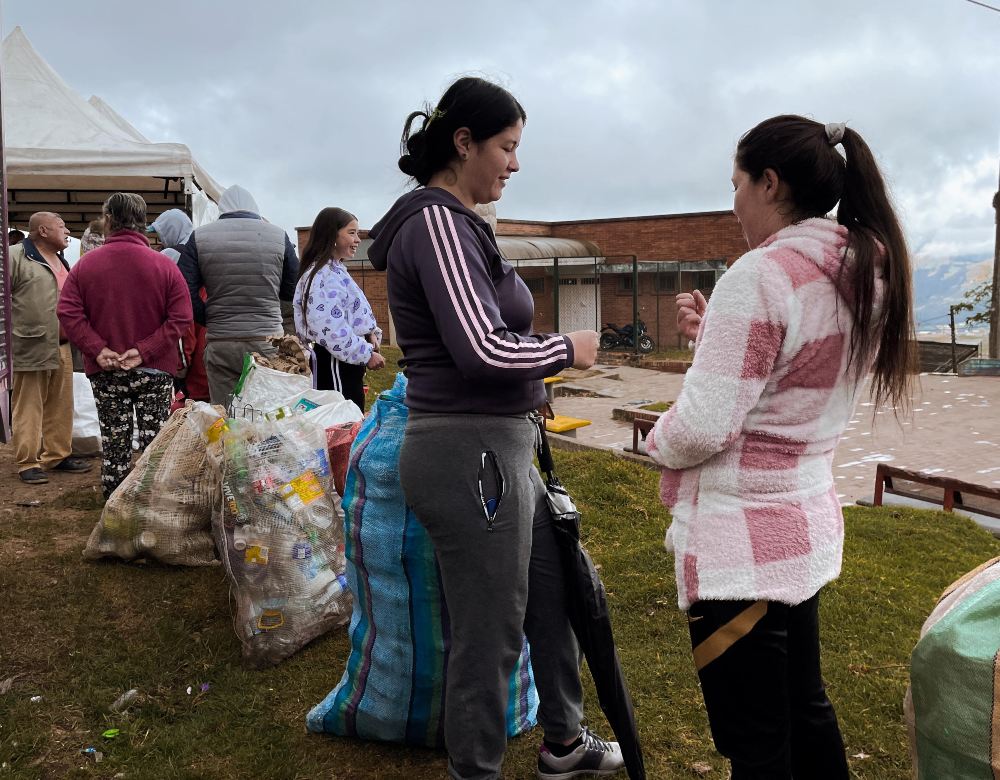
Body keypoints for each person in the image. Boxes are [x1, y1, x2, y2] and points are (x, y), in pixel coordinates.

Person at [646, 115, 916, 779]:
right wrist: (718, 334)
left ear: (769, 183)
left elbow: (703, 427)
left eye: (736, 184)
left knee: (757, 742)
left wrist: (655, 439)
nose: (733, 201)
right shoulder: (864, 268)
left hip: (741, 549)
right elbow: (798, 370)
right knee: (805, 707)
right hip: (803, 530)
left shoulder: (760, 276)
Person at [367, 76, 621, 780]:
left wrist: (531, 385)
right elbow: (479, 348)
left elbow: (484, 345)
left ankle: (564, 744)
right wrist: (568, 350)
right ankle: (473, 772)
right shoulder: (437, 224)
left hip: (498, 446)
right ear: (463, 142)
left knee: (552, 593)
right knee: (488, 633)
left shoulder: (461, 224)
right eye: (507, 147)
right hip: (466, 451)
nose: (514, 162)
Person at [58, 193, 193, 499]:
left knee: (114, 442)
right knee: (154, 444)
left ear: (108, 220)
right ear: (143, 223)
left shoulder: (85, 266)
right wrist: (145, 350)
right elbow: (182, 316)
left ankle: (115, 512)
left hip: (105, 370)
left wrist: (97, 349)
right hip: (154, 370)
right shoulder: (165, 266)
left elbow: (67, 310)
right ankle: (152, 507)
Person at [177, 185, 300, 405]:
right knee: (266, 414)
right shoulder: (278, 236)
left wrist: (209, 318)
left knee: (225, 415)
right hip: (267, 341)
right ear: (254, 208)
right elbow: (292, 288)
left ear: (221, 210)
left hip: (221, 341)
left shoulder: (200, 237)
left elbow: (184, 290)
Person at [9, 212, 92, 484]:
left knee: (61, 403)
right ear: (43, 231)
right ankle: (27, 462)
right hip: (30, 342)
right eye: (61, 226)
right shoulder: (15, 256)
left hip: (62, 344)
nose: (67, 230)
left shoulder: (62, 260)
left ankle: (56, 454)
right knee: (30, 404)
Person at [293, 207, 385, 411]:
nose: (358, 239)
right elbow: (330, 327)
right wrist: (365, 353)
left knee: (351, 419)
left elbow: (353, 315)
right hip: (336, 361)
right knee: (342, 421)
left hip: (346, 360)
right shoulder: (322, 276)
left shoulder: (334, 271)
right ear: (331, 236)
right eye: (351, 233)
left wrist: (371, 336)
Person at [150, 210, 209, 402]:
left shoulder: (171, 254)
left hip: (186, 327)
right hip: (209, 318)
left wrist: (180, 365)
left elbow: (179, 317)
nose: (160, 238)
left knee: (188, 397)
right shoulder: (202, 247)